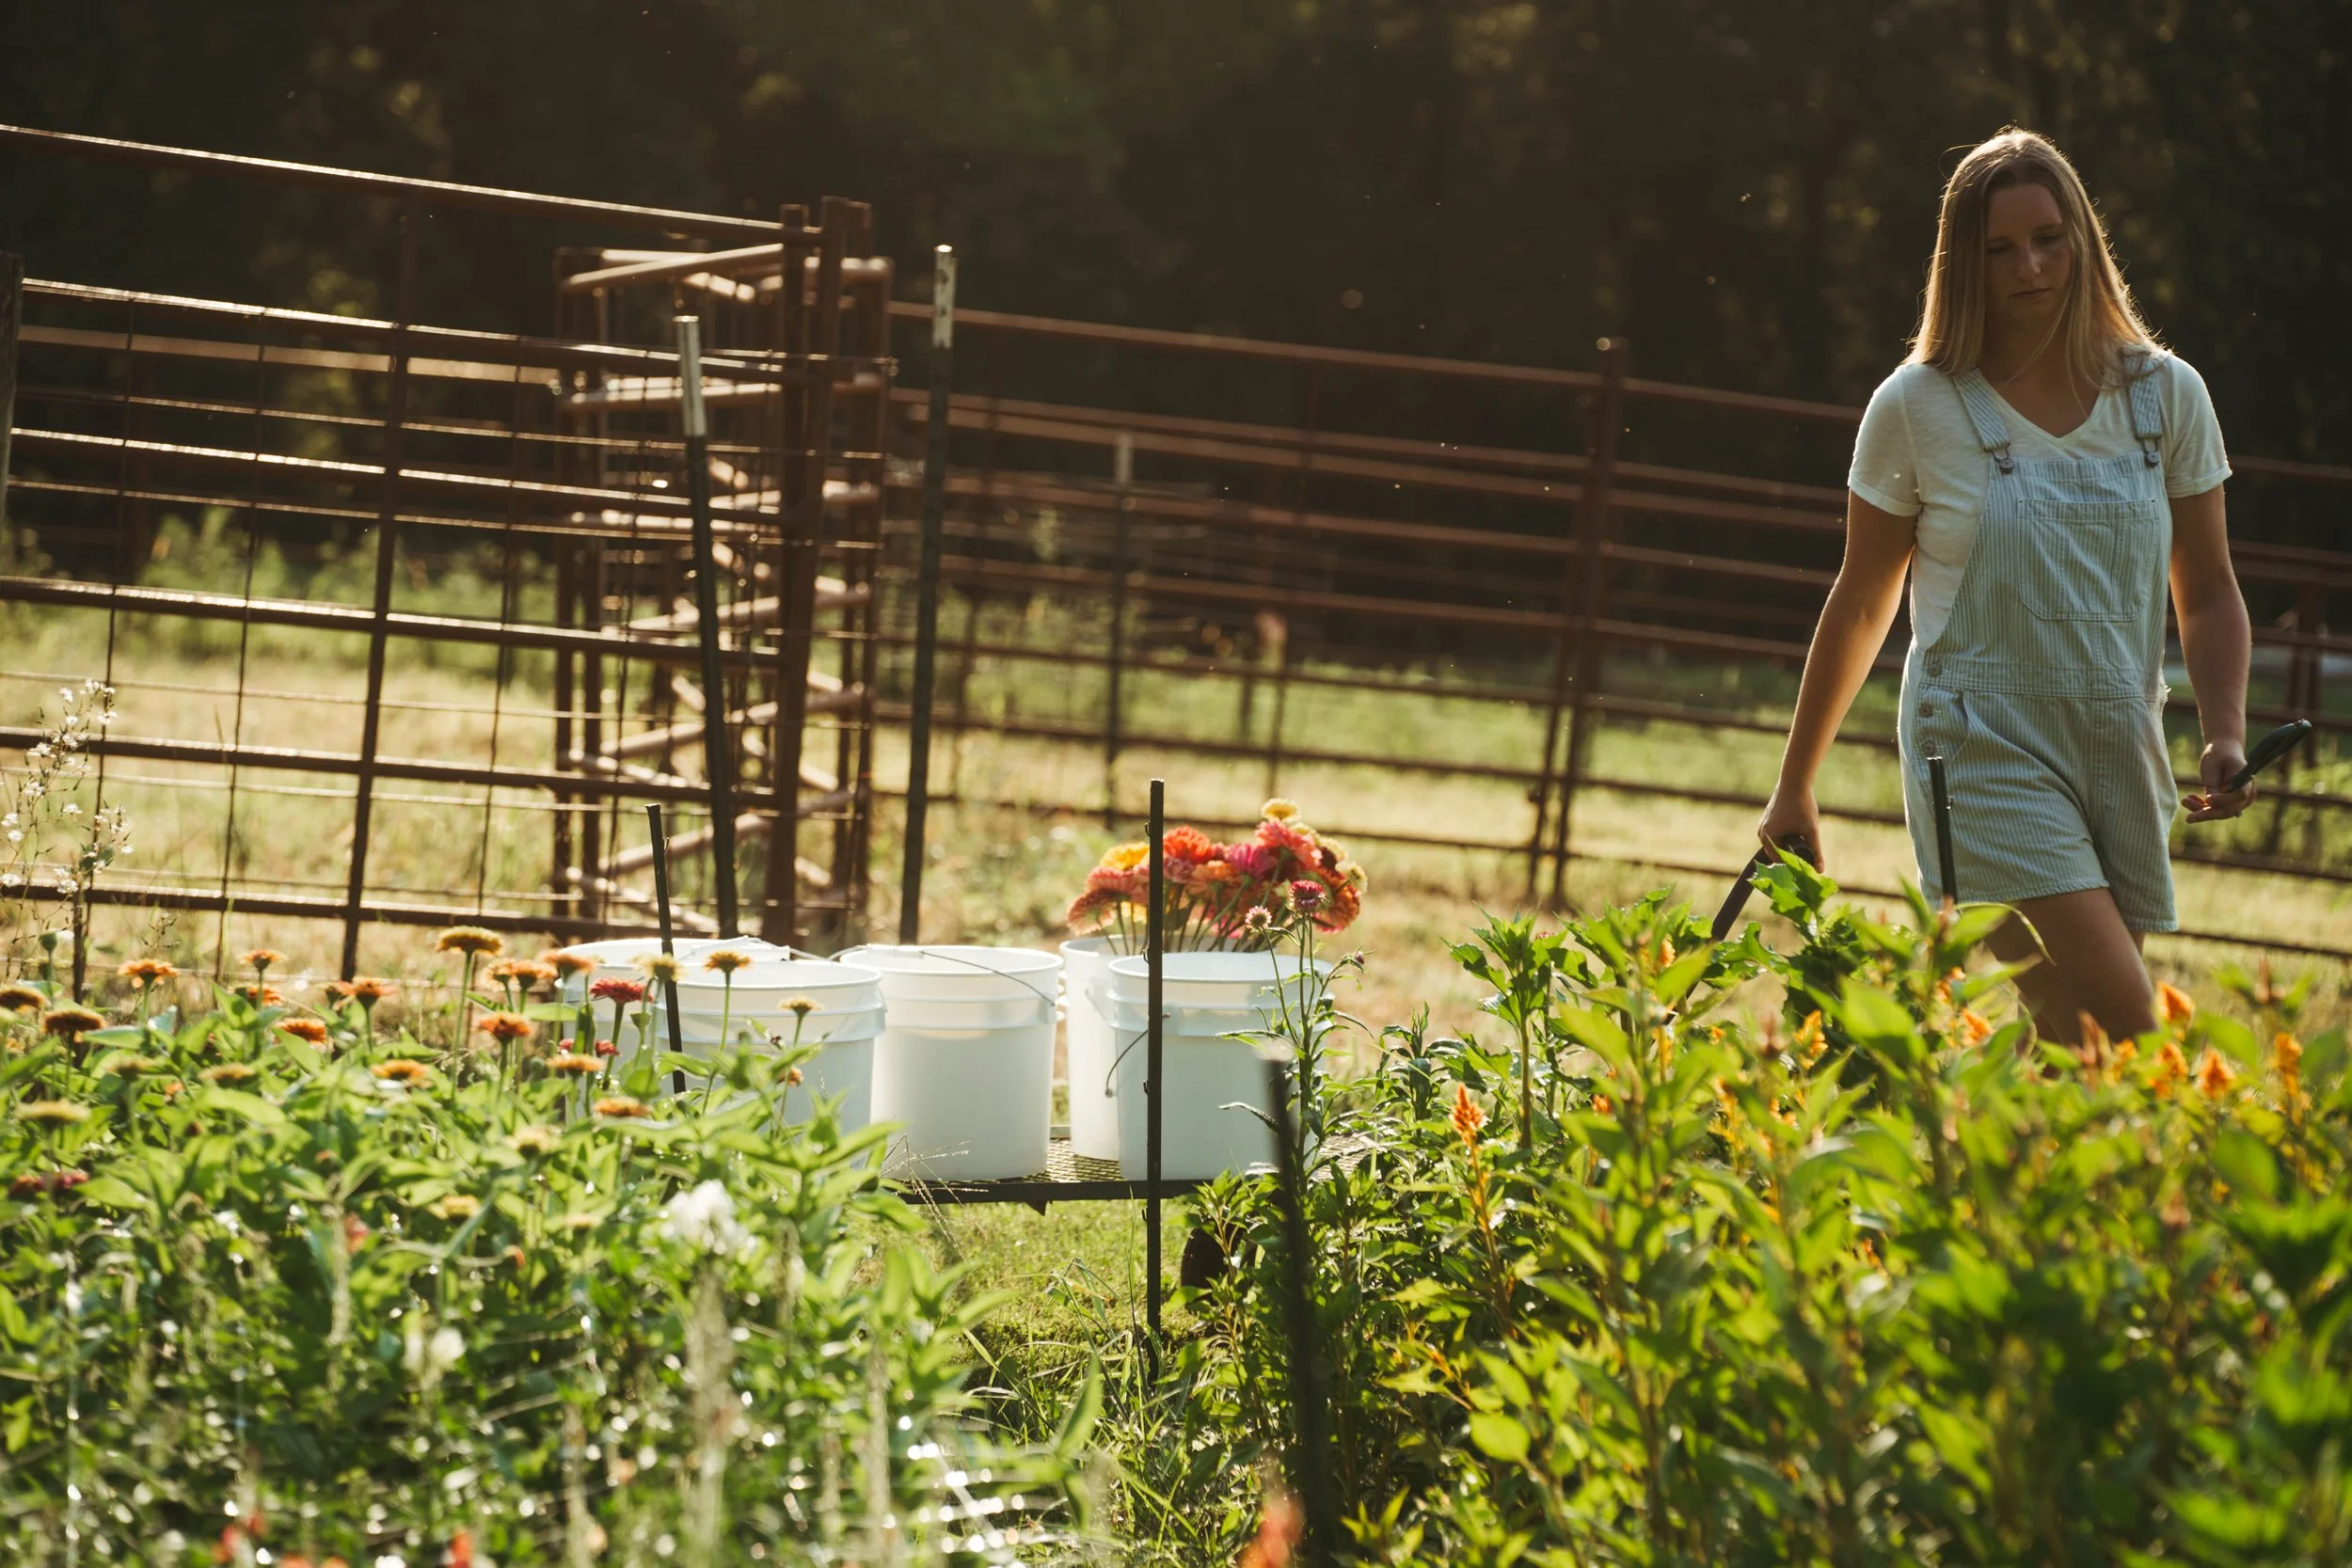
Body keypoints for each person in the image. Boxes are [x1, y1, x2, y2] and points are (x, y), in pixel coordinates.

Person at [1758, 128, 2251, 1043]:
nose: (2029, 265)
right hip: (1978, 752)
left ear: (2084, 241)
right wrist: (1796, 782)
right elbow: (1864, 596)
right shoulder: (1917, 407)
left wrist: (2224, 729)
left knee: (2072, 1053)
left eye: (2048, 238)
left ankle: (1941, 1174)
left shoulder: (2166, 397)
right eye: (1999, 248)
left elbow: (2210, 586)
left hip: (2116, 741)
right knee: (2130, 1031)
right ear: (1964, 264)